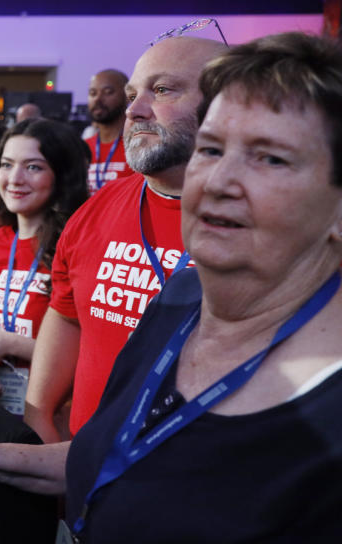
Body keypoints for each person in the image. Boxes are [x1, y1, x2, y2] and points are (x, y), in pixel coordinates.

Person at [0, 31, 342, 540]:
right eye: (211, 150)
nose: (216, 181)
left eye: (271, 158)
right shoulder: (176, 303)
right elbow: (118, 454)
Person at [24, 36, 228, 442]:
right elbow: (68, 314)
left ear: (225, 104)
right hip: (85, 473)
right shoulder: (97, 209)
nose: (134, 111)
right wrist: (39, 415)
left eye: (163, 90)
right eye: (133, 94)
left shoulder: (270, 227)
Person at [0, 120, 88, 412]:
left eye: (33, 167)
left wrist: (10, 344)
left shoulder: (79, 248)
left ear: (61, 176)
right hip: (0, 407)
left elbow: (88, 354)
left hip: (59, 415)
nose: (14, 179)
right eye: (6, 164)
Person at [85, 69, 133, 194]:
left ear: (127, 97)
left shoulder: (139, 145)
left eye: (108, 92)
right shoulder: (82, 148)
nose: (98, 99)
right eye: (92, 93)